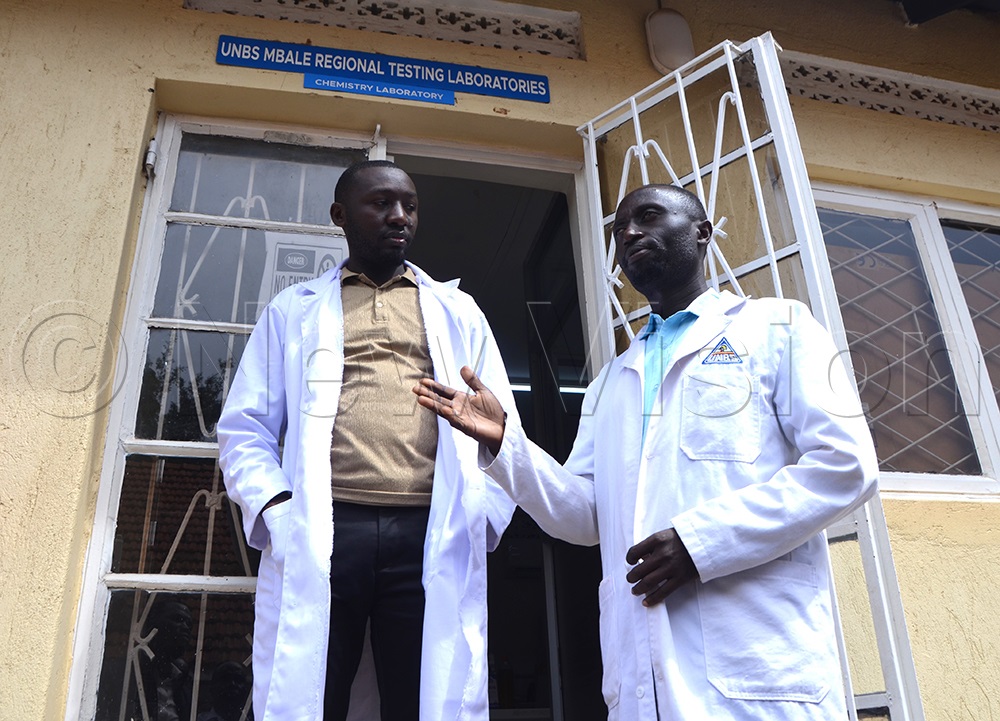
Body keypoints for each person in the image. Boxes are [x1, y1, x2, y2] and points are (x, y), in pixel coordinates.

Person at [414, 184, 879, 720]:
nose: (630, 233)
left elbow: (845, 465)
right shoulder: (611, 382)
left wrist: (701, 544)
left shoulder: (778, 327)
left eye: (650, 216)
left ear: (702, 232)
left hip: (757, 664)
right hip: (642, 680)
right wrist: (505, 445)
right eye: (619, 229)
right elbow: (585, 515)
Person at [217, 160, 519, 721]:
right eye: (380, 204)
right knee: (316, 695)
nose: (399, 216)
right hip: (329, 528)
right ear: (340, 216)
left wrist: (480, 516)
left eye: (408, 205)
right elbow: (246, 427)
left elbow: (503, 429)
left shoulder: (458, 311)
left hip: (428, 529)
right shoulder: (294, 310)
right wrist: (279, 511)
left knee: (420, 697)